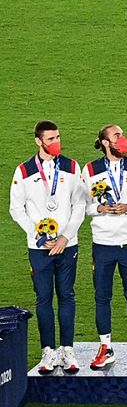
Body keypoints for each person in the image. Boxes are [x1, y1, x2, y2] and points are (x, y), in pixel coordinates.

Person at [10, 120, 88, 374]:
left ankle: (68, 349)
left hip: (68, 245)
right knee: (43, 298)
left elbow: (80, 204)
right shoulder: (23, 171)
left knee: (67, 295)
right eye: (51, 139)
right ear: (38, 141)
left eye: (57, 138)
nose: (56, 143)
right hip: (39, 248)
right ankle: (48, 351)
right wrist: (38, 235)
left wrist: (65, 236)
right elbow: (16, 209)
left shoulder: (72, 167)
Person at [85, 124, 127, 369]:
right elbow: (82, 205)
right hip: (102, 243)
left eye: (123, 134)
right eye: (117, 136)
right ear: (105, 142)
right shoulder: (90, 169)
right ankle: (105, 347)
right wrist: (99, 208)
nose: (122, 139)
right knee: (102, 296)